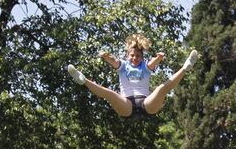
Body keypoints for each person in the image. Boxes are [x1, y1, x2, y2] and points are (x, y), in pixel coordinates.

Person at [67, 35, 198, 118]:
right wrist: (106, 56)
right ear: (127, 55)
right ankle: (83, 80)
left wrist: (159, 58)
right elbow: (113, 60)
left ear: (142, 57)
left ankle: (185, 67)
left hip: (146, 104)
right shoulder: (123, 66)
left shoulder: (145, 66)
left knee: (161, 89)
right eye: (132, 55)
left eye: (138, 56)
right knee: (110, 94)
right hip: (126, 105)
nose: (135, 58)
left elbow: (152, 63)